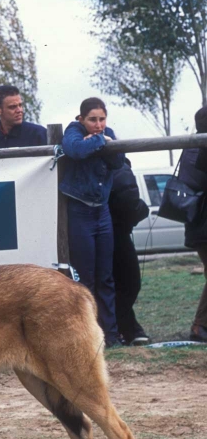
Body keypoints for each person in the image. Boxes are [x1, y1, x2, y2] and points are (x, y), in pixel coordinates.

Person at [61, 97, 124, 348]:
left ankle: (110, 334)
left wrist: (97, 142)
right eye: (92, 120)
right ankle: (87, 335)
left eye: (101, 119)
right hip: (80, 211)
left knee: (106, 276)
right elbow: (74, 149)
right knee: (84, 278)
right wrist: (102, 142)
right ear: (81, 119)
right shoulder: (73, 131)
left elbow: (118, 161)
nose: (98, 125)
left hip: (102, 212)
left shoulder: (106, 134)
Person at [109, 159, 150, 345]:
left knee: (113, 283)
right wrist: (143, 210)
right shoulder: (120, 166)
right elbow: (129, 202)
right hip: (117, 231)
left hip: (104, 228)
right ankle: (120, 328)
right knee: (129, 284)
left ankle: (129, 329)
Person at [177, 105, 207, 341]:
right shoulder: (201, 149)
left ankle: (200, 326)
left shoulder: (192, 146)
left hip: (198, 224)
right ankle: (199, 327)